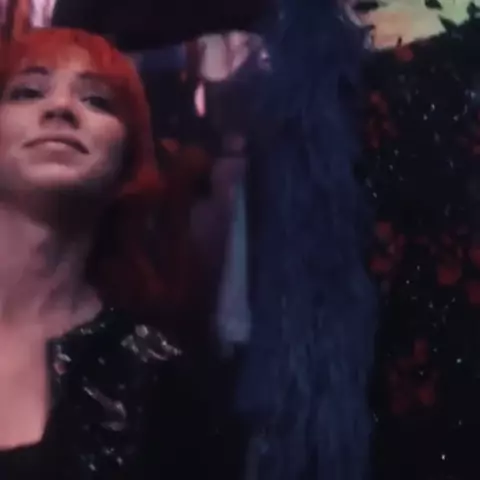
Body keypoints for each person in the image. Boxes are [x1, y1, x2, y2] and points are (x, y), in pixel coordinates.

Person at [0, 27, 209, 479]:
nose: (60, 108)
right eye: (27, 92)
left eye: (97, 101)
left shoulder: (152, 374)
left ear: (127, 159)